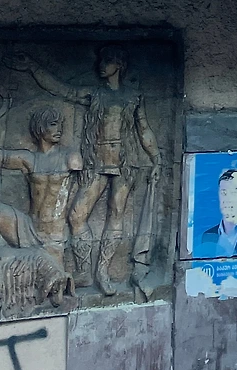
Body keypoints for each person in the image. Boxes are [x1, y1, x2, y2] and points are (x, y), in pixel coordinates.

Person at [12, 45, 161, 295]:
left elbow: (144, 130)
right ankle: (84, 271)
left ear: (119, 65)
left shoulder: (133, 97)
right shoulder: (95, 94)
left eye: (107, 61)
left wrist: (156, 159)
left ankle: (102, 271)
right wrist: (33, 67)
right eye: (101, 60)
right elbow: (62, 89)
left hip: (125, 161)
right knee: (77, 215)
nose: (101, 65)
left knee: (116, 213)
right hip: (97, 160)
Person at [0, 103, 83, 260]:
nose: (59, 129)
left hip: (54, 235)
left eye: (60, 124)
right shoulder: (29, 160)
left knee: (50, 272)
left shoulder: (70, 159)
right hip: (28, 227)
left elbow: (80, 196)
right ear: (39, 128)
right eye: (53, 124)